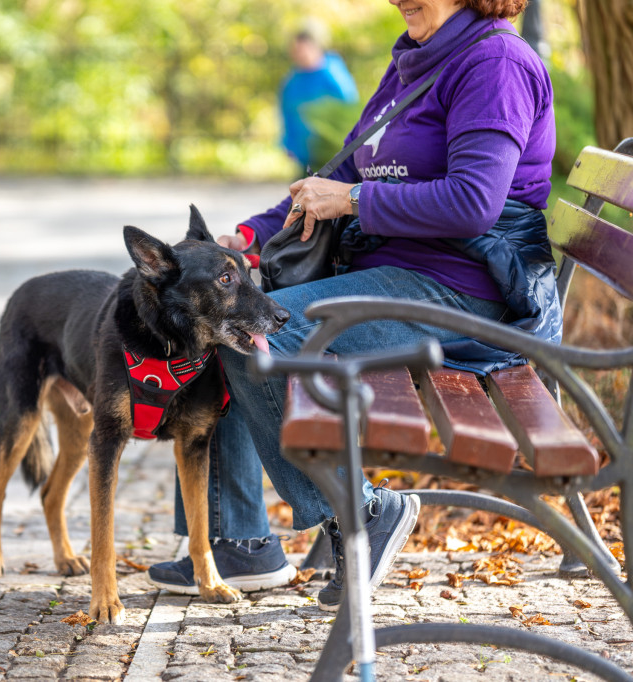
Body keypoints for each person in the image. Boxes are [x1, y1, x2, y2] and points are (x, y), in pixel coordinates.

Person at [150, 0, 556, 613]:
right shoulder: (415, 61)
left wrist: (357, 200)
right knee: (227, 323)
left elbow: (473, 201)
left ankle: (366, 513)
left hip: (468, 295)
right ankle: (240, 543)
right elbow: (338, 173)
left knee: (261, 342)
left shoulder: (495, 63)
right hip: (395, 277)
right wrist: (249, 237)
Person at [279, 22, 358, 172]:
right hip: (304, 153)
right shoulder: (292, 81)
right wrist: (288, 143)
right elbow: (286, 112)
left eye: (303, 49)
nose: (300, 54)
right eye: (296, 50)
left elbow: (349, 109)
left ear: (314, 47)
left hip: (332, 152)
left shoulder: (333, 75)